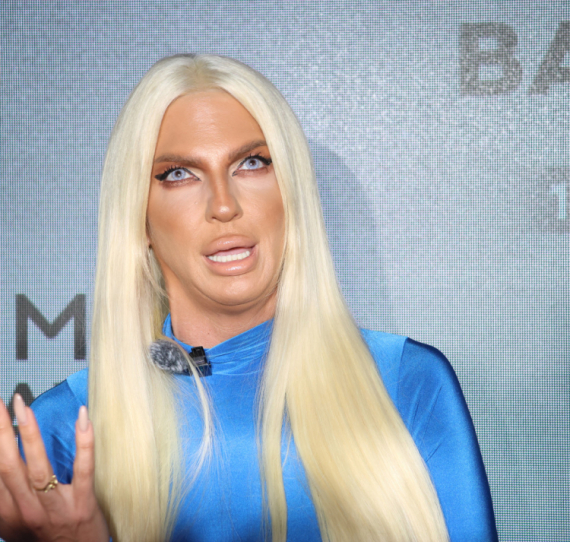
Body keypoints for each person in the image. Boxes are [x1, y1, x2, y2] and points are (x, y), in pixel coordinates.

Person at [0, 54, 498, 542]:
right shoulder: (66, 425)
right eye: (179, 174)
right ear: (139, 218)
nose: (224, 205)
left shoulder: (406, 380)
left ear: (291, 192)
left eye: (252, 163)